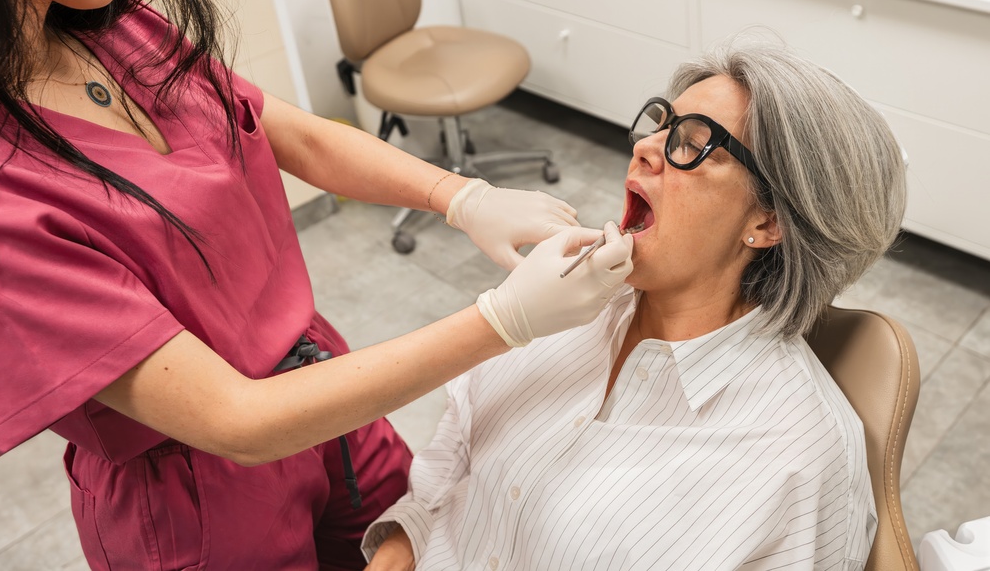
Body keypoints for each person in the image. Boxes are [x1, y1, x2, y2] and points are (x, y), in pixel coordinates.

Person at [0, 0, 635, 569]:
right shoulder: (0, 197)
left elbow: (287, 131)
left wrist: (463, 196)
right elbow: (234, 421)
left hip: (324, 389)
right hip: (199, 493)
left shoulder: (120, 31)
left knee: (413, 538)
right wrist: (505, 320)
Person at [363, 41, 908, 570]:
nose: (646, 148)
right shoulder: (560, 303)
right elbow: (461, 431)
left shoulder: (797, 462)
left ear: (768, 223)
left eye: (693, 144)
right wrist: (406, 539)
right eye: (662, 124)